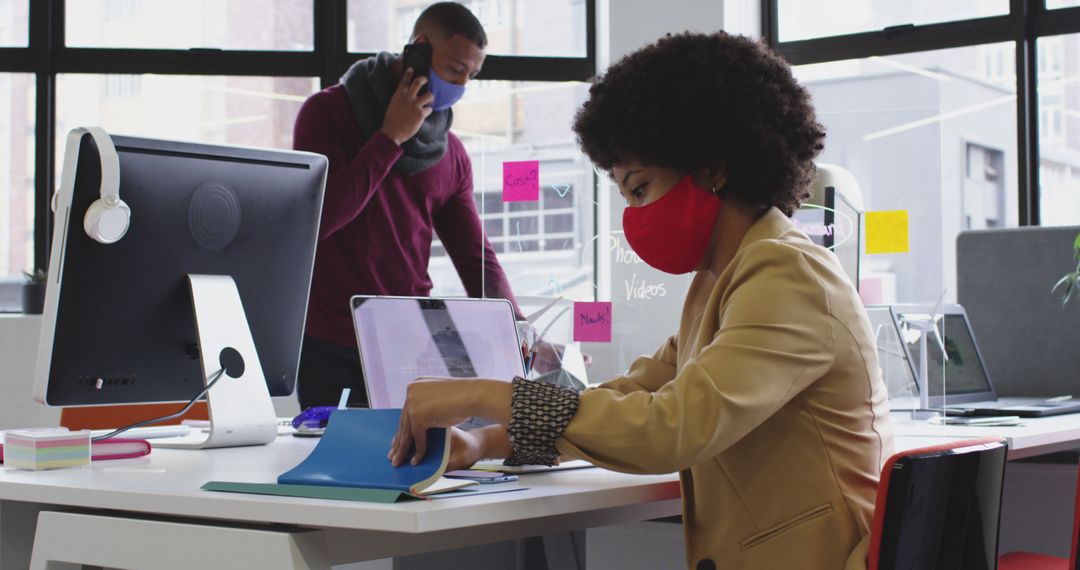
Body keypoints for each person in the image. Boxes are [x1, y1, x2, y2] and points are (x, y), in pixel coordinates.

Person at [388, 32, 895, 569]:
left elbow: (667, 429)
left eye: (641, 188)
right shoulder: (724, 279)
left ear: (712, 167)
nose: (633, 215)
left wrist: (484, 395)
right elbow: (632, 394)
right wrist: (486, 442)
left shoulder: (785, 274)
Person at [292, 2, 522, 409]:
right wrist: (389, 138)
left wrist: (518, 326)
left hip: (410, 341)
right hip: (330, 339)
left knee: (416, 465)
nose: (461, 85)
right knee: (336, 467)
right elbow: (320, 219)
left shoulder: (449, 153)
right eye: (454, 69)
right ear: (418, 47)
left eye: (472, 75)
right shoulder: (326, 112)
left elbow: (475, 257)